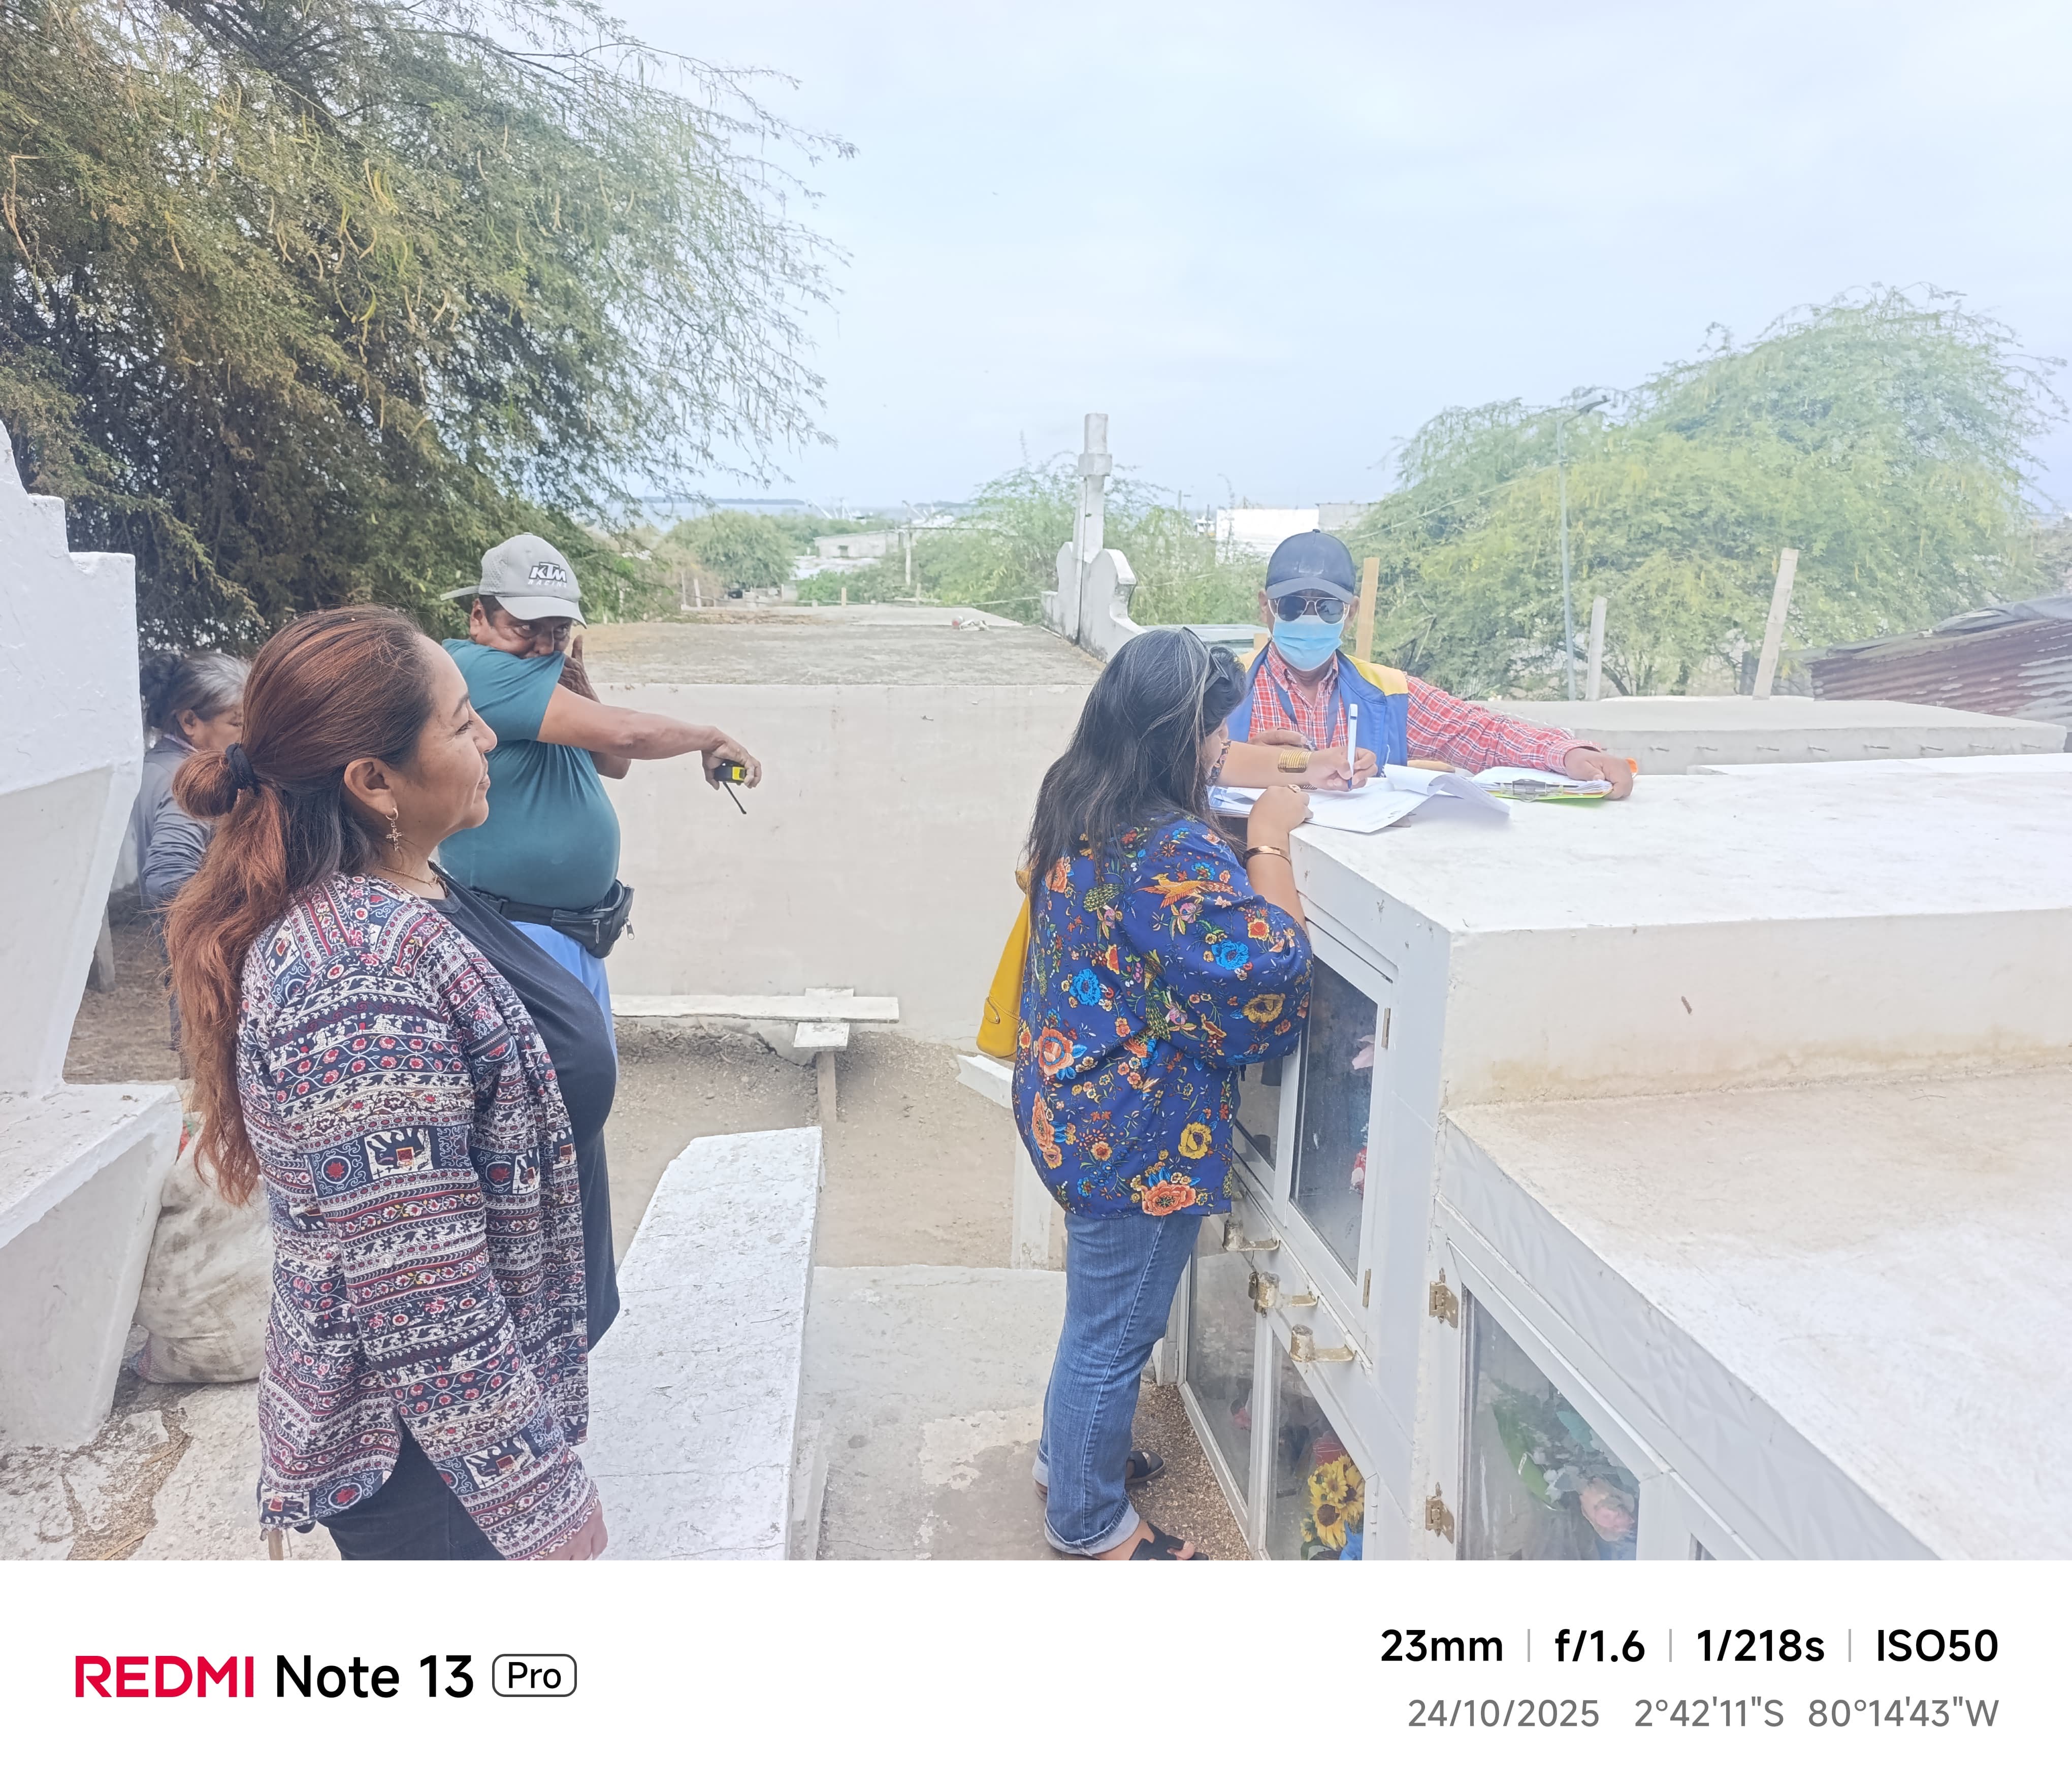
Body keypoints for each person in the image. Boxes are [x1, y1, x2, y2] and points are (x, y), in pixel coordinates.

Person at [163, 606, 606, 1560]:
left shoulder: (412, 885)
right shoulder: (355, 978)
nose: (489, 738)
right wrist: (536, 1498)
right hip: (425, 1463)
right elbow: (421, 1286)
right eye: (461, 722)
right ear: (373, 781)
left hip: (467, 1422)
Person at [1015, 629, 1314, 1560]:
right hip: (1133, 1138)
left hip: (1072, 1102)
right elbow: (1274, 959)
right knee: (1115, 1336)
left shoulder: (1082, 792)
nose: (1224, 748)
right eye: (1216, 733)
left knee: (1094, 1319)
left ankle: (1067, 1461)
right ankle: (1088, 1522)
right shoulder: (1169, 852)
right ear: (1178, 737)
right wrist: (1268, 844)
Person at [437, 533, 763, 1027]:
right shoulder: (476, 671)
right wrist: (709, 737)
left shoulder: (543, 683)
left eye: (559, 631)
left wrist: (580, 689)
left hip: (570, 933)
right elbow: (628, 737)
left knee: (585, 1068)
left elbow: (614, 762)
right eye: (526, 628)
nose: (544, 647)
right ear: (479, 617)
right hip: (517, 932)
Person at [1214, 530, 1637, 798]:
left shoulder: (1389, 693)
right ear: (1265, 607)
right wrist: (1265, 765)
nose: (1309, 619)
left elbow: (1480, 733)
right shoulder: (1219, 690)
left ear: (1351, 612)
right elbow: (1184, 767)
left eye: (1326, 608)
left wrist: (1567, 754)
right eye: (1292, 605)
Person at [134, 650, 248, 913]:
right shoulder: (185, 780)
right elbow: (168, 879)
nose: (247, 734)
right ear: (189, 721)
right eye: (238, 723)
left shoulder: (155, 764)